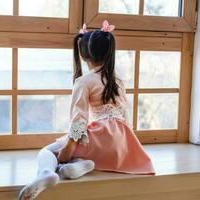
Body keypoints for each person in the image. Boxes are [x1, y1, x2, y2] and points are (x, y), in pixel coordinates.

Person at [19, 21, 155, 200]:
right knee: (74, 160)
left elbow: (79, 119)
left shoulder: (84, 81)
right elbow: (125, 116)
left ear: (83, 55)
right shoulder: (118, 81)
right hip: (122, 143)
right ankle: (78, 166)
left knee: (48, 152)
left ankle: (46, 173)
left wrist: (69, 147)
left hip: (100, 136)